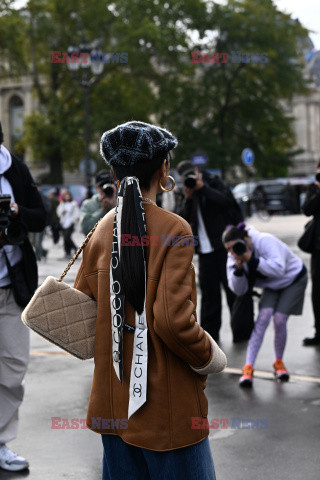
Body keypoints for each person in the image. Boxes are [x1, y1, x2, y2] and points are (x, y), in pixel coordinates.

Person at [73, 121, 227, 480]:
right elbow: (173, 322)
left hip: (113, 408)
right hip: (167, 414)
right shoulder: (175, 229)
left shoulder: (98, 230)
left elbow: (84, 310)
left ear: (112, 173)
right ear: (164, 169)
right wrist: (210, 357)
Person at [0, 121, 46, 471]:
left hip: (11, 287)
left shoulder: (15, 169)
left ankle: (0, 441)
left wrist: (16, 212)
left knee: (14, 366)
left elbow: (40, 218)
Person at [223, 223, 308, 387]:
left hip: (293, 279)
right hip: (272, 285)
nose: (233, 252)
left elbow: (278, 270)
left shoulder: (264, 240)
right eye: (228, 249)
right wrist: (239, 270)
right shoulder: (233, 256)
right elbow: (239, 290)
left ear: (246, 239)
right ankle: (248, 367)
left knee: (279, 319)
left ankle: (279, 363)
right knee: (263, 318)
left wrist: (252, 260)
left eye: (236, 246)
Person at [177, 161, 242, 342]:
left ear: (197, 171)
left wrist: (203, 188)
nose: (190, 178)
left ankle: (241, 333)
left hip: (224, 248)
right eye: (186, 177)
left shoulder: (213, 182)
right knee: (209, 297)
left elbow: (227, 202)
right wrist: (188, 198)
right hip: (205, 253)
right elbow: (180, 220)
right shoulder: (187, 193)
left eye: (192, 174)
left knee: (232, 291)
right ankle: (211, 338)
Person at [301, 161, 320, 346]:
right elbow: (307, 210)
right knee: (317, 292)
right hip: (318, 248)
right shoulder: (314, 189)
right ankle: (318, 331)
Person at [80, 170, 117, 236]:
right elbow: (85, 230)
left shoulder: (122, 202)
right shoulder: (88, 204)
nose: (107, 188)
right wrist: (103, 210)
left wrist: (116, 207)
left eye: (110, 184)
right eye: (102, 186)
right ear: (97, 188)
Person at [56, 190, 79, 258]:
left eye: (68, 195)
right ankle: (67, 252)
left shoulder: (73, 204)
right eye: (65, 195)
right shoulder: (62, 203)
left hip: (71, 222)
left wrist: (74, 220)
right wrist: (62, 211)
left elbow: (76, 213)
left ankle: (75, 247)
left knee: (67, 237)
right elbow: (58, 212)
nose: (67, 197)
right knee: (65, 238)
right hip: (64, 222)